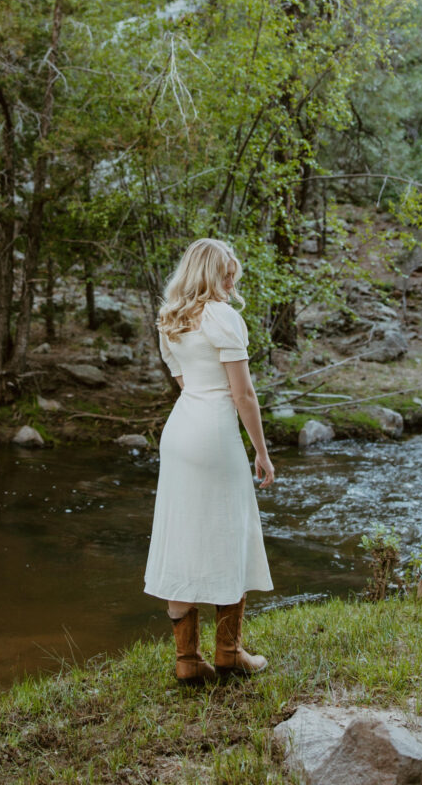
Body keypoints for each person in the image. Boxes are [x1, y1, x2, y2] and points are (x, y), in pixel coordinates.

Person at [144, 238, 275, 683]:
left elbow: (186, 382)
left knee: (181, 532)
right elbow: (242, 393)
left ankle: (186, 661)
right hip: (215, 434)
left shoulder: (169, 319)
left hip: (180, 432)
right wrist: (261, 449)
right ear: (216, 273)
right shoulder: (223, 316)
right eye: (229, 273)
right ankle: (227, 651)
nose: (232, 281)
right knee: (226, 530)